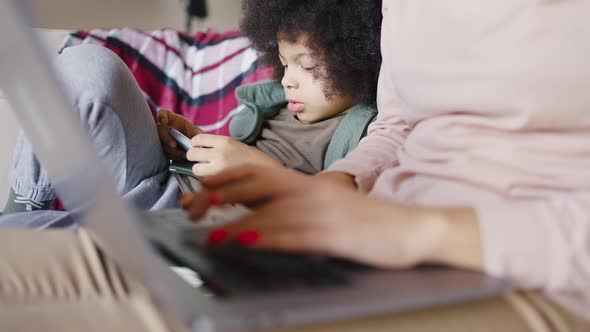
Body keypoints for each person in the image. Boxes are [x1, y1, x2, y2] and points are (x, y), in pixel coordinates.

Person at [179, 0, 590, 330]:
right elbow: (397, 125)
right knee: (149, 290)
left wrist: (418, 233)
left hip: (538, 276)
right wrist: (337, 183)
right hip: (388, 240)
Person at [1, 0, 382, 216]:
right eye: (284, 64)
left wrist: (258, 170)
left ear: (359, 56)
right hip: (164, 183)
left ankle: (33, 235)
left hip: (198, 219)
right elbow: (233, 156)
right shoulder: (281, 104)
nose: (288, 80)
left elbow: (343, 214)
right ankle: (21, 214)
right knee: (88, 65)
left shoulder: (366, 132)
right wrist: (196, 142)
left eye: (308, 66)